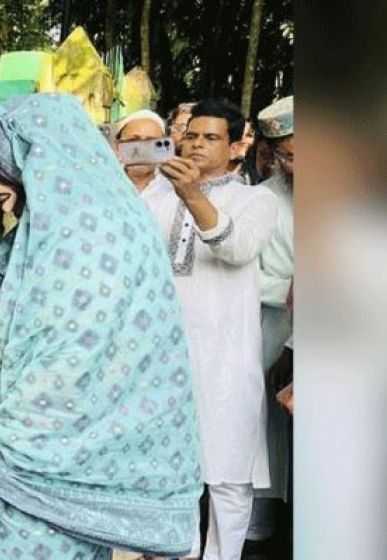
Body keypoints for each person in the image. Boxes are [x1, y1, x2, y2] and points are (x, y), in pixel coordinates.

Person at [0, 92, 203, 559]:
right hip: (76, 473)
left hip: (29, 483)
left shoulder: (79, 240)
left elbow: (53, 380)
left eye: (9, 172)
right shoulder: (96, 220)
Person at [141, 98, 278, 560]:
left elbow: (237, 248)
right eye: (192, 135)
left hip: (226, 358)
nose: (198, 144)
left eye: (211, 137)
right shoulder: (155, 196)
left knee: (227, 475)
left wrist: (193, 196)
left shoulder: (257, 199)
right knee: (167, 470)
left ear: (237, 144)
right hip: (161, 356)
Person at [245, 95, 294, 555]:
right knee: (270, 438)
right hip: (277, 332)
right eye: (286, 154)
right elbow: (246, 273)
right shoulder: (263, 200)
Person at [112, 109, 168, 192]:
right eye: (133, 140)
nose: (142, 149)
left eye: (150, 141)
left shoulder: (175, 188)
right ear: (118, 145)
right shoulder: (105, 180)